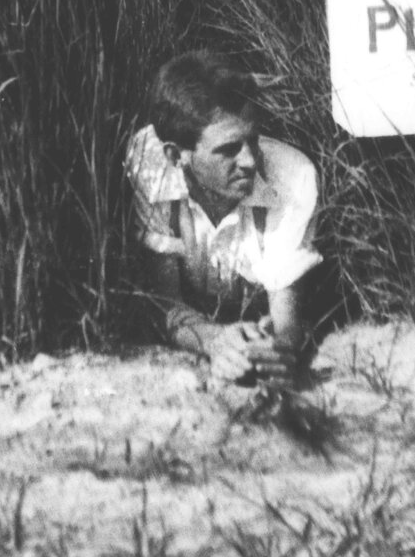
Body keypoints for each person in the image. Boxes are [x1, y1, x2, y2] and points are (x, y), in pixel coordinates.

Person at [125, 52, 324, 385]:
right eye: (229, 149)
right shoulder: (150, 165)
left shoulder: (293, 175)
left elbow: (287, 318)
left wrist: (277, 351)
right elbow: (163, 302)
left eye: (253, 140)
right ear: (176, 156)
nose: (249, 161)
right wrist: (214, 340)